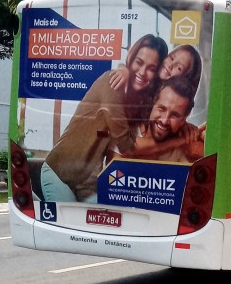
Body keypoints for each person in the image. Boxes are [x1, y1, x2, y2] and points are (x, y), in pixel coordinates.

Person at [40, 34, 168, 203]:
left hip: (88, 184)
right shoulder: (112, 83)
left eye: (151, 68)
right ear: (131, 59)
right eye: (139, 62)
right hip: (60, 175)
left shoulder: (138, 100)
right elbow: (126, 145)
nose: (143, 72)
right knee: (74, 227)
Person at [116, 76, 204, 163]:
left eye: (174, 115)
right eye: (162, 109)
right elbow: (113, 170)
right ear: (154, 102)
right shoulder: (125, 127)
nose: (164, 120)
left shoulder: (188, 145)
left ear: (183, 119)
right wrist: (176, 142)